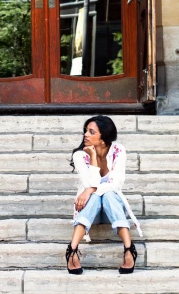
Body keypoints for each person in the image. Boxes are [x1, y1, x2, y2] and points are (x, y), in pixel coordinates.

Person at [65, 115, 143, 275]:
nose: (86, 134)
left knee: (107, 195)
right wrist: (93, 158)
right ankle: (72, 250)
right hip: (90, 212)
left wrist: (91, 190)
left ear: (103, 137)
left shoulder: (118, 150)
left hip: (111, 211)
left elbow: (116, 184)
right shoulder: (80, 155)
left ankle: (129, 249)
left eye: (91, 132)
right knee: (95, 196)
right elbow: (89, 184)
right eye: (86, 130)